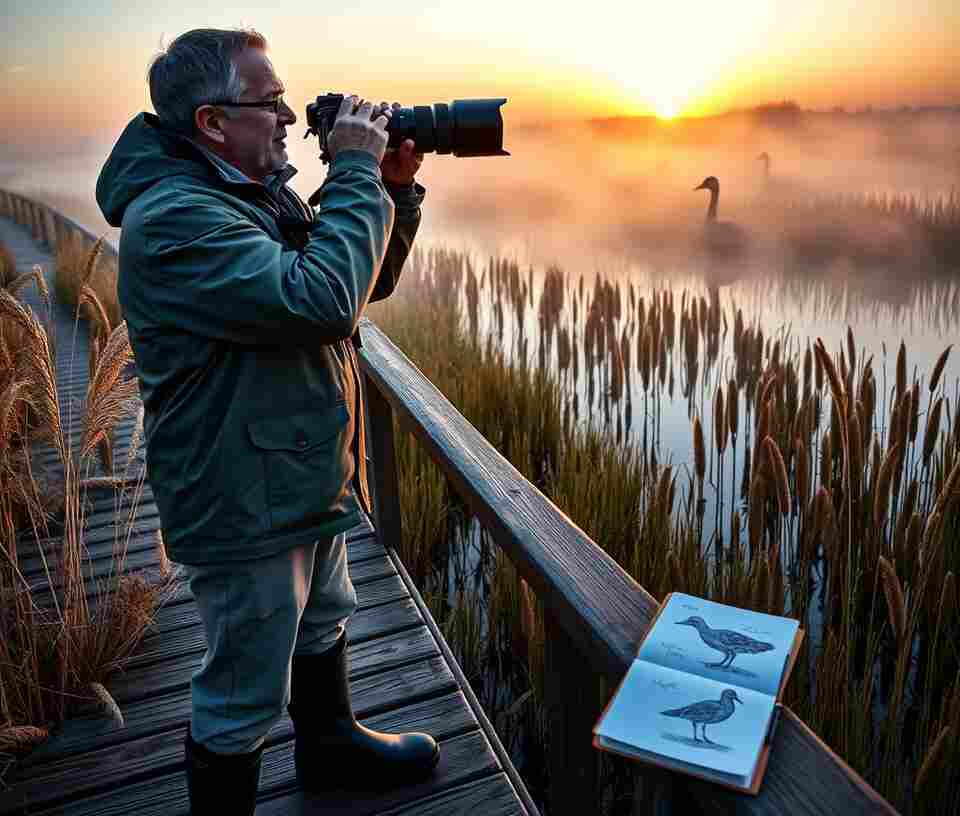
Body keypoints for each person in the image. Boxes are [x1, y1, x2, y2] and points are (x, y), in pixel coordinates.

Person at [95, 28, 439, 816]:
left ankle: (330, 746)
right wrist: (351, 167)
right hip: (240, 493)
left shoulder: (246, 189)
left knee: (324, 618)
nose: (289, 116)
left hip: (296, 468)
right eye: (269, 101)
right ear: (213, 122)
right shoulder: (176, 220)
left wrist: (388, 188)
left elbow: (353, 286)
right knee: (245, 684)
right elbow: (320, 303)